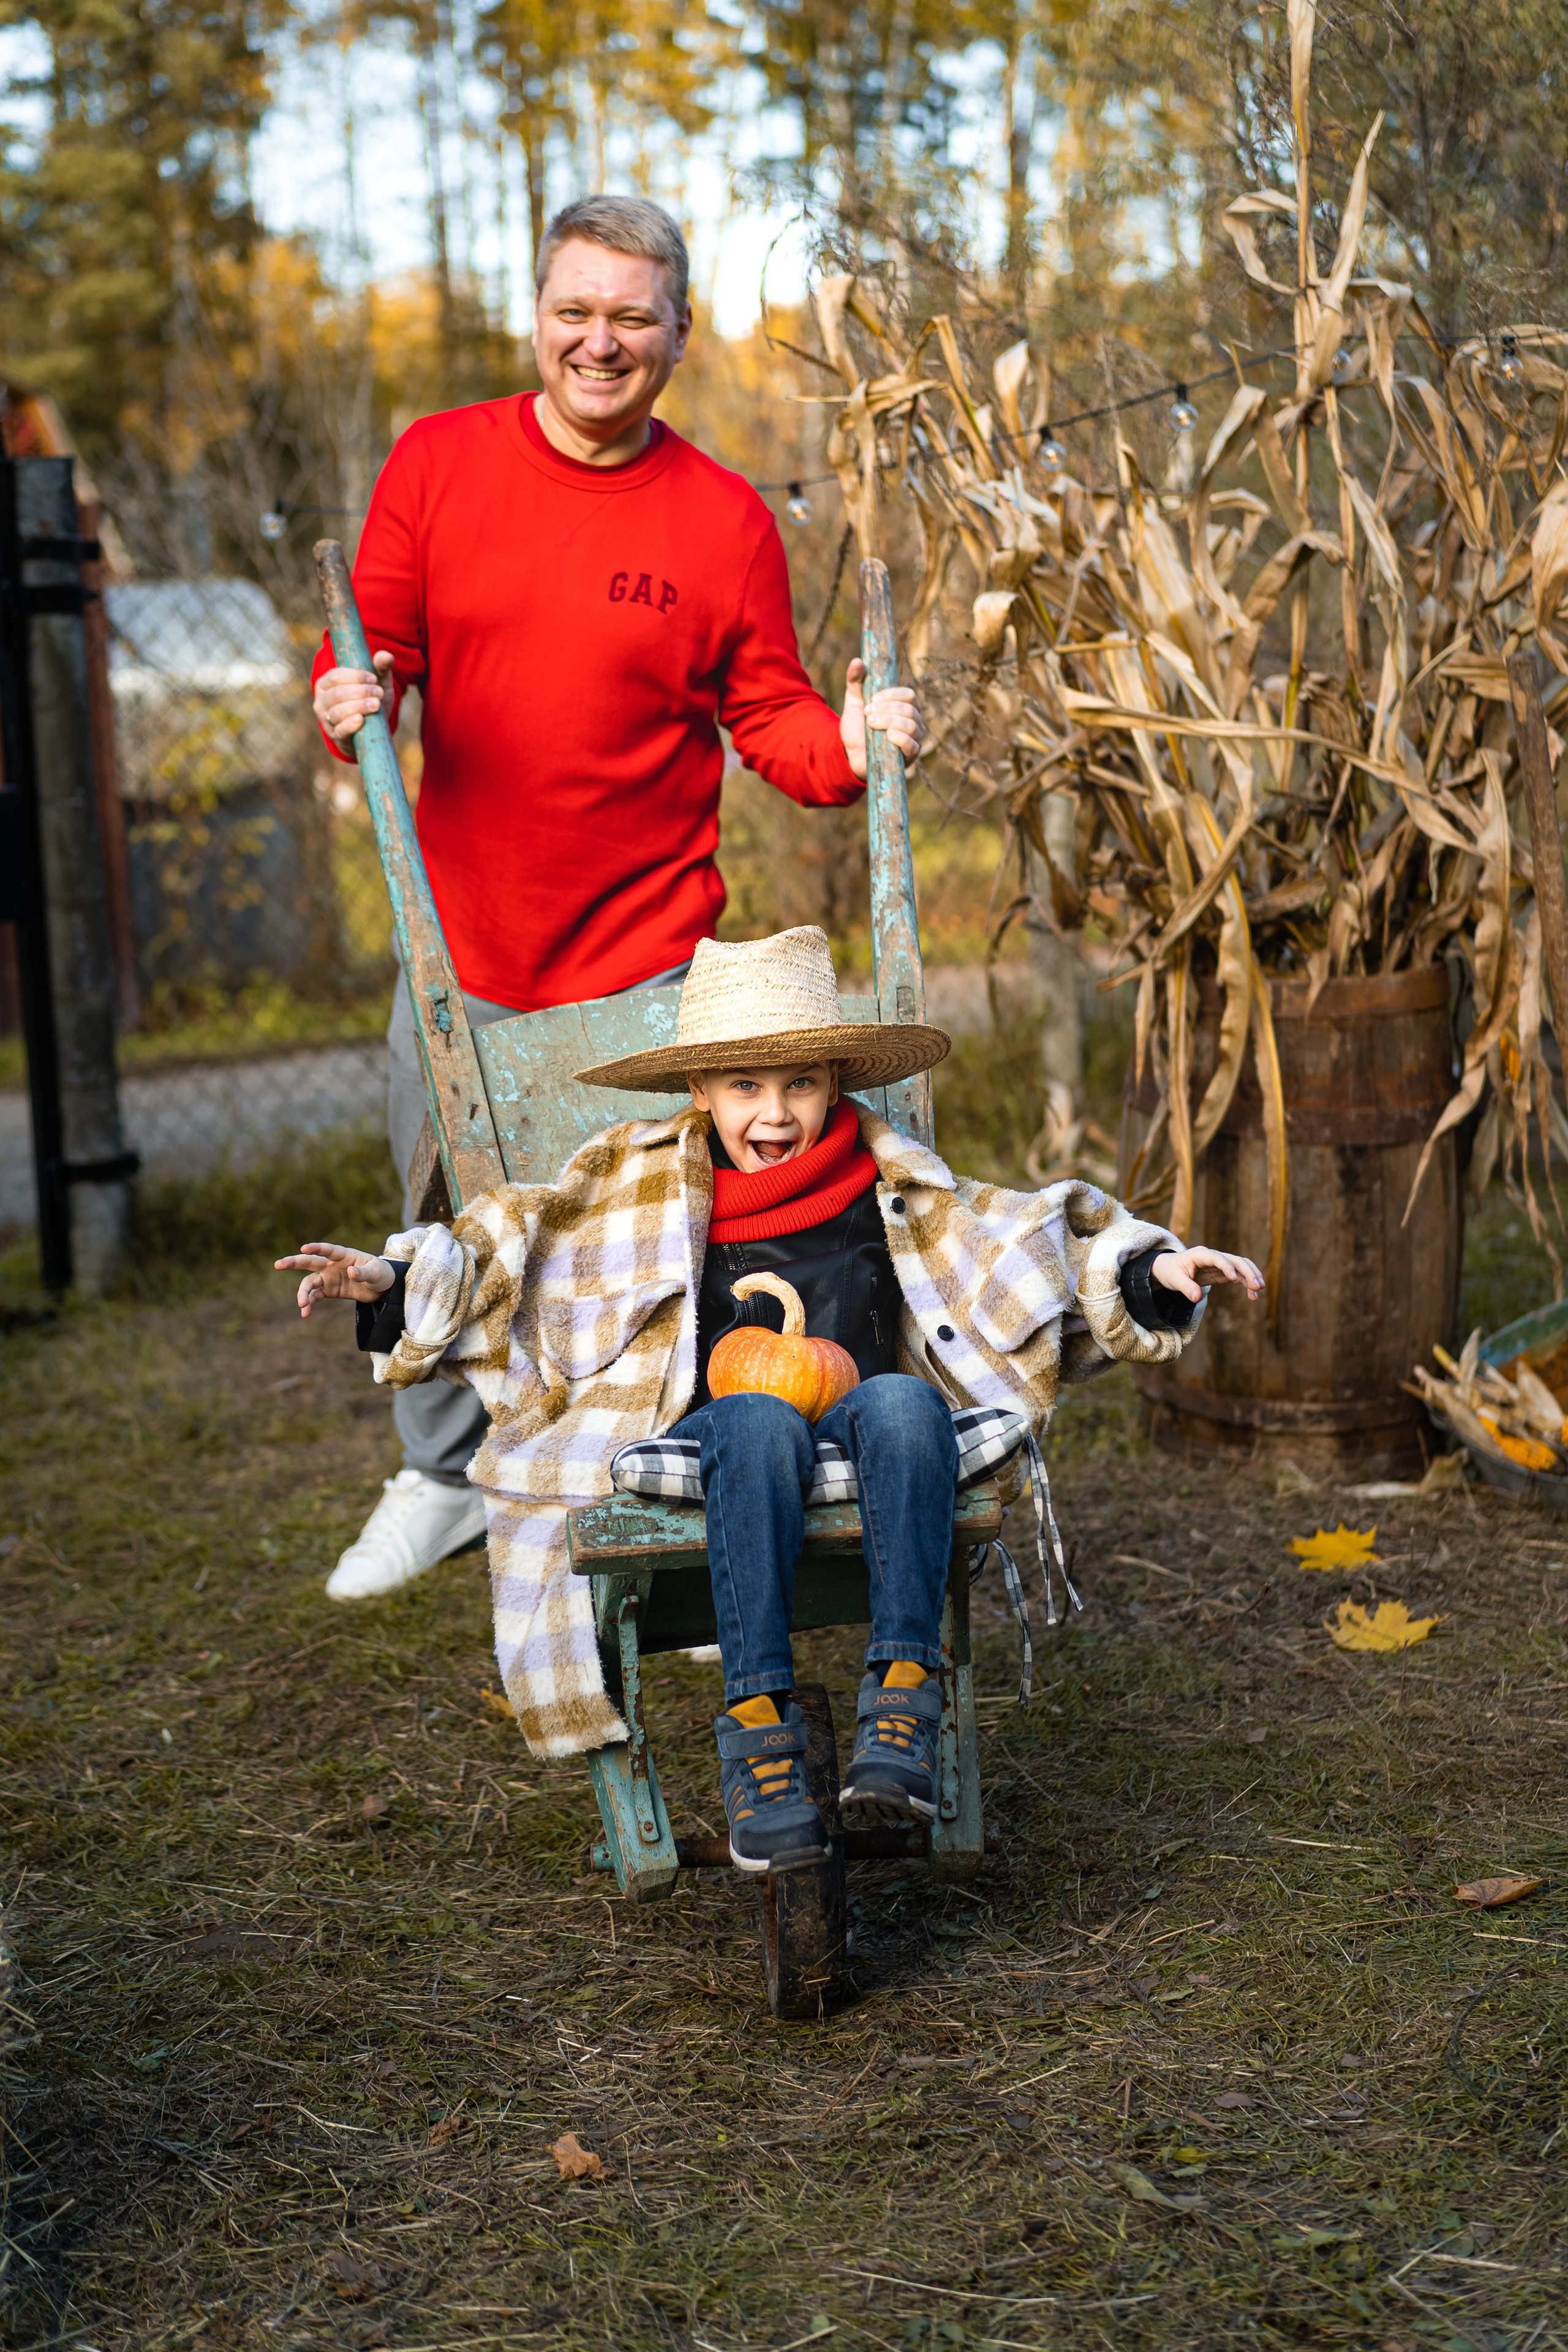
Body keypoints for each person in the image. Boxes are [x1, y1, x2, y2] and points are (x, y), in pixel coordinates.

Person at [276, 927, 1264, 1869]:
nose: (777, 1113)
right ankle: (757, 1725)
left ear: (837, 1082)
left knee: (904, 1406)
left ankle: (905, 1693)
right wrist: (399, 1286)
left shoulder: (894, 1186)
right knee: (753, 1417)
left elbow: (1030, 1245)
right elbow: (517, 1255)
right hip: (722, 1430)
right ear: (700, 1089)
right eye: (746, 1085)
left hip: (859, 1420)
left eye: (801, 1082)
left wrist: (1150, 1273)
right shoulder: (637, 1186)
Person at [310, 195, 924, 1604]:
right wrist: (350, 698)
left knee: (643, 1251)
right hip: (456, 949)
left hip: (647, 964)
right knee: (445, 1222)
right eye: (575, 310)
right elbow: (376, 655)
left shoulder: (717, 519)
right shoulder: (436, 462)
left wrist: (854, 745)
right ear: (538, 314)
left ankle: (649, 1511)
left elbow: (769, 715)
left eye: (631, 316)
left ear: (676, 334)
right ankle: (441, 1475)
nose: (600, 341)